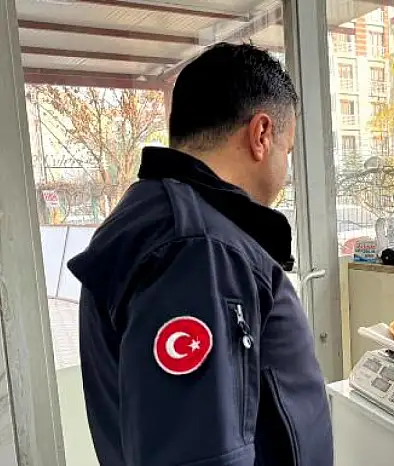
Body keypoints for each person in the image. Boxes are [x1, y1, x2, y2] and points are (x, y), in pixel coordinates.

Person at [66, 43, 333, 466]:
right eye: (289, 150)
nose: (286, 169)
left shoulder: (157, 218)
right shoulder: (199, 251)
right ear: (261, 134)